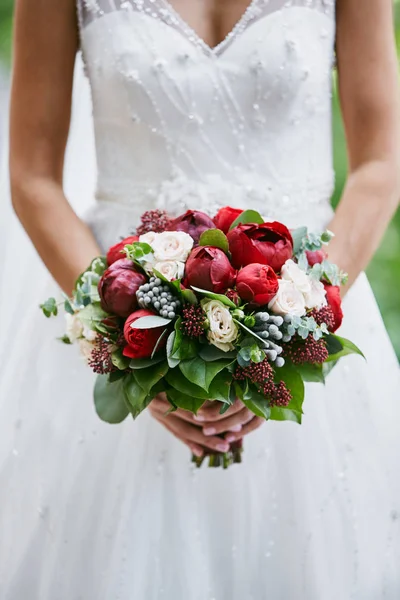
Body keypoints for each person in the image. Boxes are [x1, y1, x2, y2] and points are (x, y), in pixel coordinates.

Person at [1, 0, 399, 598]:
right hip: (125, 312)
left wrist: (298, 327)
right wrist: (126, 339)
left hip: (308, 302)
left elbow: (380, 164)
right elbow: (33, 176)